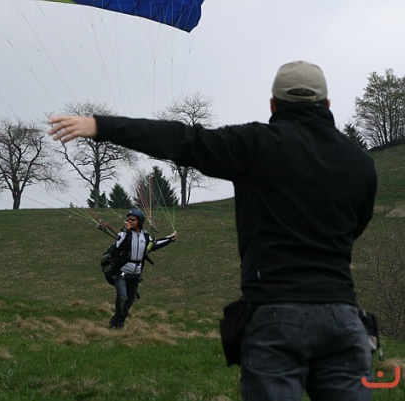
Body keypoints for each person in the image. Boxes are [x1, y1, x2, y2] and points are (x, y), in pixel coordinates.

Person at [48, 61, 377, 401]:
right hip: (343, 318)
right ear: (326, 104)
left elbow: (182, 139)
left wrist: (101, 125)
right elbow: (355, 227)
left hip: (274, 313)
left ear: (273, 105)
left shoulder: (254, 145)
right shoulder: (360, 163)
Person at [109, 209, 177, 329]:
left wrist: (170, 239)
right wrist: (127, 231)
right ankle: (119, 324)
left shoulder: (144, 236)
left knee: (129, 301)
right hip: (121, 273)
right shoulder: (123, 234)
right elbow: (119, 246)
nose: (129, 221)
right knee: (122, 297)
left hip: (135, 275)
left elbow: (153, 245)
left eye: (133, 219)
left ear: (139, 221)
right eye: (128, 219)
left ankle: (116, 321)